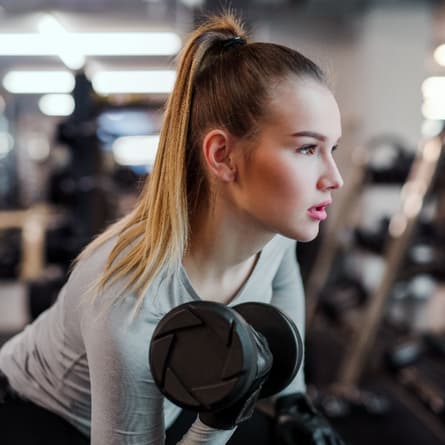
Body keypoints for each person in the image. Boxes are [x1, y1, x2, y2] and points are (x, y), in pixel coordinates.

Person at [0, 11, 345, 445]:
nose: (335, 176)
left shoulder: (274, 234)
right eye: (307, 148)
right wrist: (220, 417)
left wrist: (293, 401)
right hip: (40, 415)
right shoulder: (130, 294)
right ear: (222, 155)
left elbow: (284, 286)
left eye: (332, 148)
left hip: (160, 406)